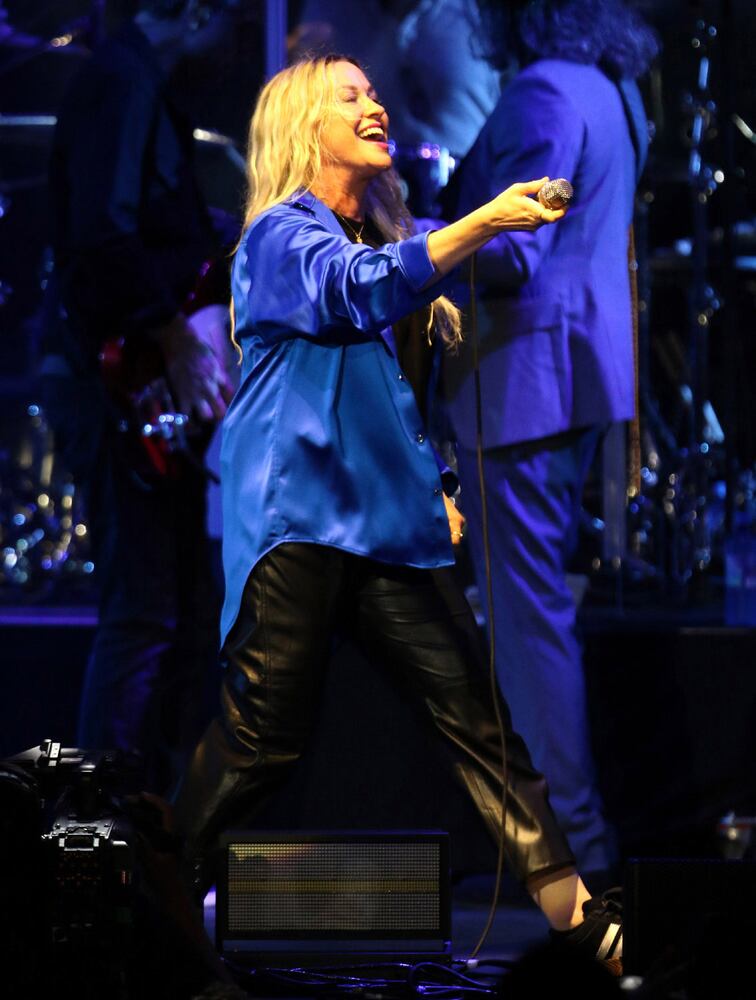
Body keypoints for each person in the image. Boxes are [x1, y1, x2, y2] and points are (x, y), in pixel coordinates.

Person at [172, 54, 624, 967]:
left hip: (389, 530)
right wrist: (486, 221)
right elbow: (355, 288)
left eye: (374, 92)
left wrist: (442, 490)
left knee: (481, 725)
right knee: (262, 739)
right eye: (349, 96)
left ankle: (587, 928)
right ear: (304, 128)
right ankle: (147, 903)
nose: (373, 104)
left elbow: (404, 403)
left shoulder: (381, 239)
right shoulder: (280, 237)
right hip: (300, 524)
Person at [442, 0, 658, 878]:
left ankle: (571, 857)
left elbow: (515, 251)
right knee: (537, 616)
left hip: (525, 384)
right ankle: (570, 851)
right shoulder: (613, 87)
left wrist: (414, 239)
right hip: (570, 377)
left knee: (529, 626)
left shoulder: (543, 92)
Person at [41, 0, 238, 792]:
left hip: (132, 379)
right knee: (143, 614)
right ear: (192, 12)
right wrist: (175, 335)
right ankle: (102, 822)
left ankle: (150, 819)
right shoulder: (122, 82)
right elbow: (103, 234)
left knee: (173, 613)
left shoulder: (138, 83)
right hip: (112, 383)